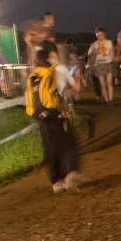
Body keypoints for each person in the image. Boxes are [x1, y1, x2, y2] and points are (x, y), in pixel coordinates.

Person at [26, 44, 83, 194]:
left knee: (50, 148)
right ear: (50, 56)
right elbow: (72, 91)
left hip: (40, 117)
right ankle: (70, 175)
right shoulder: (56, 70)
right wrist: (77, 76)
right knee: (68, 145)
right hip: (56, 114)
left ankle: (56, 182)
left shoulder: (32, 76)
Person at [87, 27, 115, 103]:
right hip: (99, 65)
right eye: (98, 35)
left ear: (105, 34)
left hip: (108, 64)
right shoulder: (94, 44)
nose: (99, 37)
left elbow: (112, 53)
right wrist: (94, 52)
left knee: (109, 83)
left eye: (101, 35)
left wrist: (110, 58)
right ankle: (107, 100)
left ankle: (111, 100)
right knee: (103, 84)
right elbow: (89, 55)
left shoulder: (109, 42)